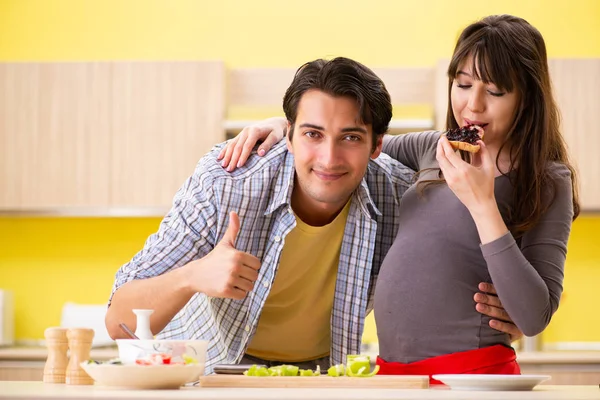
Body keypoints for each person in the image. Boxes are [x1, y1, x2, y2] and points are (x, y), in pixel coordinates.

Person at [216, 14, 579, 380]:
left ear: (527, 96)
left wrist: (483, 204)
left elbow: (534, 317)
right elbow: (354, 140)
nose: (473, 105)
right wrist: (287, 127)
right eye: (463, 84)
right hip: (394, 374)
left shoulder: (547, 180)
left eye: (496, 91)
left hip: (472, 375)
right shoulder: (433, 147)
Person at [106, 56, 416, 374]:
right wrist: (193, 276)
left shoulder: (402, 194)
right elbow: (119, 322)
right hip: (211, 374)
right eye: (313, 134)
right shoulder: (227, 181)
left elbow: (445, 153)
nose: (329, 158)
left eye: (350, 138)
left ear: (377, 145)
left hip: (323, 374)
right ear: (290, 136)